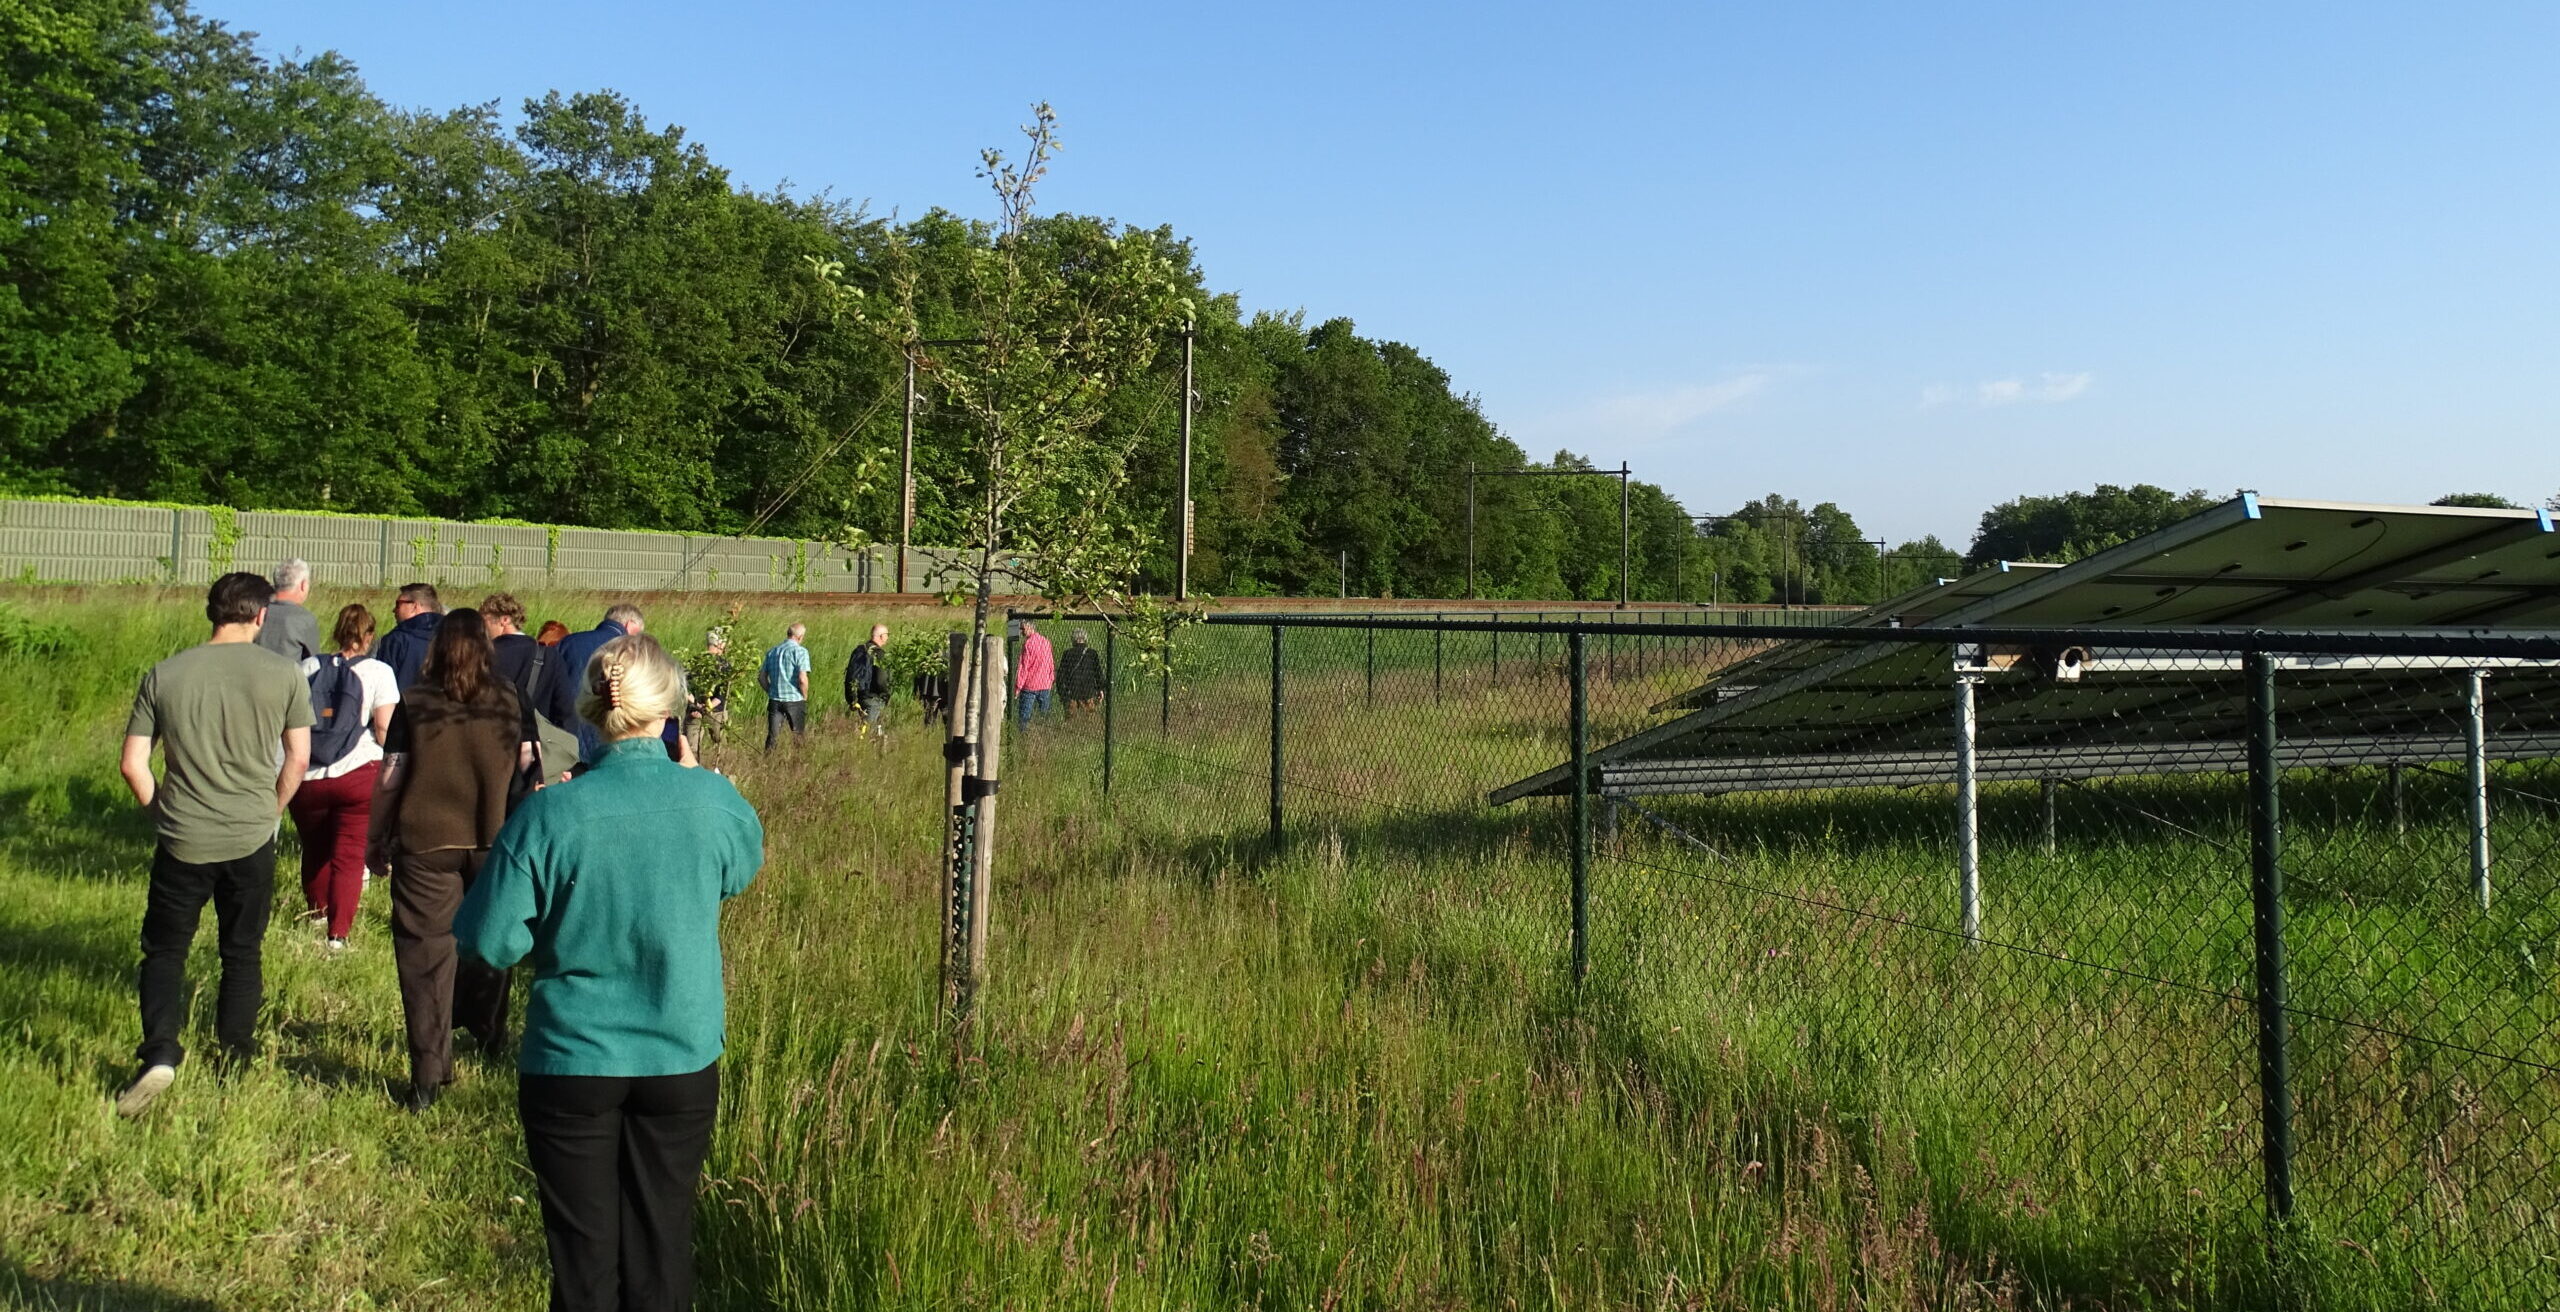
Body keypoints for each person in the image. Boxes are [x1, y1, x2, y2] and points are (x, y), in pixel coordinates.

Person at [456, 633, 763, 1312]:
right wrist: (704, 784)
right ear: (670, 711)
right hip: (679, 1052)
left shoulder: (550, 813)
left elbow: (488, 940)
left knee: (582, 1257)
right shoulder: (712, 803)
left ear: (588, 710)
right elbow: (738, 870)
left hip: (571, 1059)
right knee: (662, 1245)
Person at [114, 573, 313, 1116]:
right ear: (261, 616)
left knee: (165, 951)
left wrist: (163, 813)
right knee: (242, 952)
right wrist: (270, 809)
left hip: (183, 838)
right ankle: (235, 1058)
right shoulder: (284, 675)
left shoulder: (166, 674)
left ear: (211, 612)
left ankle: (159, 1052)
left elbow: (134, 765)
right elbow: (298, 758)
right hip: (251, 834)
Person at [367, 608, 533, 1112]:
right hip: (494, 840)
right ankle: (487, 1029)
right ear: (487, 648)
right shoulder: (510, 696)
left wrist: (376, 837)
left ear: (437, 648)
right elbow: (528, 761)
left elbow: (391, 776)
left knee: (424, 956)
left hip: (425, 844)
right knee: (491, 939)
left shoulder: (415, 702)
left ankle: (427, 1075)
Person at [286, 604, 399, 951]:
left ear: (336, 632)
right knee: (349, 857)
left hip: (308, 774)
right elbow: (383, 729)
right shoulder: (380, 672)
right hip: (358, 774)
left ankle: (316, 915)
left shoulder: (308, 667)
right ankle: (338, 936)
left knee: (315, 849)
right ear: (369, 637)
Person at [555, 604, 691, 766]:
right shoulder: (634, 655)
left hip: (568, 744)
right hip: (622, 751)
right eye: (638, 633)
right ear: (629, 625)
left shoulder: (569, 643)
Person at [254, 557, 323, 673]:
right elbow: (313, 663)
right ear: (303, 585)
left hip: (254, 681)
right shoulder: (304, 619)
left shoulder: (256, 612)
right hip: (290, 685)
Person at [373, 582, 443, 692]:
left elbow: (381, 688)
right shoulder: (452, 637)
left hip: (402, 707)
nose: (394, 610)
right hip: (442, 708)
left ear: (414, 606)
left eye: (398, 604)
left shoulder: (396, 640)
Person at [760, 622, 810, 750]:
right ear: (800, 637)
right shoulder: (800, 652)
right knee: (798, 736)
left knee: (772, 736)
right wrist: (804, 696)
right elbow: (802, 679)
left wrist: (770, 690)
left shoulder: (772, 652)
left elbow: (761, 677)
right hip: (794, 699)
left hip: (775, 700)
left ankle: (768, 762)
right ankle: (797, 763)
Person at [684, 628, 734, 754]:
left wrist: (696, 704)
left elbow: (683, 688)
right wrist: (708, 707)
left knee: (690, 752)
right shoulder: (725, 665)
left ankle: (692, 773)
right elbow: (723, 694)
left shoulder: (693, 662)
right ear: (720, 644)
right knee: (721, 750)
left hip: (694, 711)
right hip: (717, 713)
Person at [842, 623, 890, 746]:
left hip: (859, 697)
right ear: (881, 636)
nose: (887, 638)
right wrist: (886, 694)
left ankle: (876, 754)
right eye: (887, 635)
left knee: (873, 729)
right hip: (873, 697)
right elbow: (881, 679)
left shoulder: (858, 650)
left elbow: (850, 675)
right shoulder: (879, 654)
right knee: (866, 731)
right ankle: (858, 751)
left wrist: (852, 698)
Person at [1015, 620, 1055, 728]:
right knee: (1045, 715)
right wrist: (1051, 679)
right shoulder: (1046, 642)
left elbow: (1024, 667)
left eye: (1023, 629)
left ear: (1030, 627)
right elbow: (1051, 663)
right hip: (1045, 684)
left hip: (1030, 685)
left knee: (1024, 716)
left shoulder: (1028, 644)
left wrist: (1018, 687)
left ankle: (1023, 736)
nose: (1022, 631)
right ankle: (1046, 734)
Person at [1057, 628, 1104, 717]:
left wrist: (1062, 693)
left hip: (1071, 693)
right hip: (1088, 692)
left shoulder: (1067, 653)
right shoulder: (1092, 653)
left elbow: (1061, 676)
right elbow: (1098, 673)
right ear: (1085, 639)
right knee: (1089, 721)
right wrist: (1100, 689)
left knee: (1071, 720)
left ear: (1073, 639)